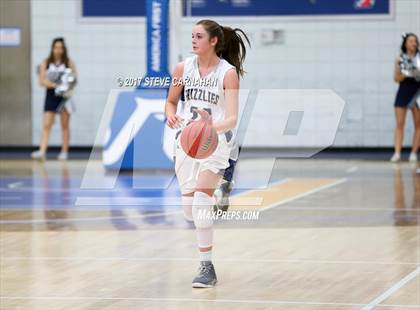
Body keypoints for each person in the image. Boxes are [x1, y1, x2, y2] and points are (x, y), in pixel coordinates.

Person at [165, 19, 249, 287]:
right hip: (187, 142)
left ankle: (206, 267)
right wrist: (170, 117)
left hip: (215, 142)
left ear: (213, 41)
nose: (193, 40)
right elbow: (170, 102)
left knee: (201, 204)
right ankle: (223, 186)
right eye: (192, 36)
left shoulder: (228, 74)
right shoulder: (183, 68)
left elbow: (233, 118)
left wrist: (211, 126)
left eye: (199, 36)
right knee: (189, 211)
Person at [31, 37, 77, 160]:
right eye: (56, 47)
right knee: (47, 124)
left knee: (65, 125)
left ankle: (64, 151)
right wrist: (56, 85)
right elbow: (41, 81)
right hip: (51, 95)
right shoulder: (46, 62)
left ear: (64, 49)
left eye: (61, 48)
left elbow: (74, 79)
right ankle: (42, 150)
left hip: (64, 97)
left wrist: (66, 86)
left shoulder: (69, 62)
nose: (58, 50)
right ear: (52, 48)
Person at [391, 33, 420, 162]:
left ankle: (413, 153)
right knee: (399, 124)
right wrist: (404, 70)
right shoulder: (400, 58)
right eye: (410, 41)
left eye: (415, 41)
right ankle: (397, 153)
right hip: (404, 91)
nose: (413, 43)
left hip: (417, 92)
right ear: (405, 43)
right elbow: (396, 78)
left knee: (418, 124)